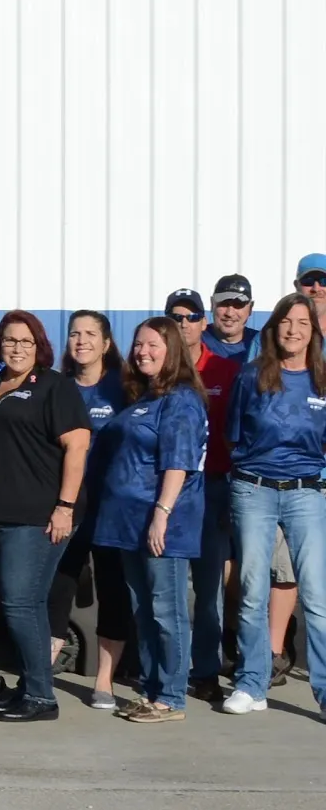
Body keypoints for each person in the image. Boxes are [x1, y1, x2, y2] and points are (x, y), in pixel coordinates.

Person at [0, 313, 91, 724]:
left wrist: (64, 506)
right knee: (30, 605)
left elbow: (78, 446)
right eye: (10, 340)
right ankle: (31, 686)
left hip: (39, 517)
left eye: (26, 341)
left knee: (20, 604)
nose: (17, 348)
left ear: (39, 346)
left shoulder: (54, 387)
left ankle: (42, 696)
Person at [94, 318, 208, 722]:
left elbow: (178, 462)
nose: (143, 352)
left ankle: (172, 696)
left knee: (166, 609)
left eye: (153, 345)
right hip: (129, 524)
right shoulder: (144, 396)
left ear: (172, 349)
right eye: (138, 345)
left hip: (163, 524)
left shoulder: (181, 399)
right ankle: (151, 687)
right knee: (143, 609)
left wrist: (161, 514)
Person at [223, 293, 326, 718]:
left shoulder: (322, 379)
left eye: (303, 322)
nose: (293, 330)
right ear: (274, 327)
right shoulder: (251, 376)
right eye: (286, 321)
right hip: (254, 490)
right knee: (252, 591)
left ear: (313, 332)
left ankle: (324, 692)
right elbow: (232, 434)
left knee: (317, 596)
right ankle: (252, 684)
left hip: (307, 492)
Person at [165, 287, 242, 695]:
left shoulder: (225, 370)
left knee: (209, 587)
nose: (184, 324)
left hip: (213, 487)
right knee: (167, 588)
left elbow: (239, 431)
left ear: (203, 322)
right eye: (175, 317)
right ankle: (167, 669)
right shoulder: (154, 369)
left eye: (191, 316)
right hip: (167, 492)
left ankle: (206, 670)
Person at [55, 312, 132, 711]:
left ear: (106, 343)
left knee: (113, 588)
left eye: (90, 334)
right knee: (57, 585)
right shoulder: (58, 387)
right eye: (74, 334)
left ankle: (105, 682)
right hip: (66, 505)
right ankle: (40, 675)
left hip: (112, 506)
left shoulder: (125, 387)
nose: (81, 341)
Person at [207, 275, 257, 362]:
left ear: (250, 308)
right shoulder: (195, 341)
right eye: (224, 303)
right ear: (212, 304)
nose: (229, 313)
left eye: (238, 304)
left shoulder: (262, 345)